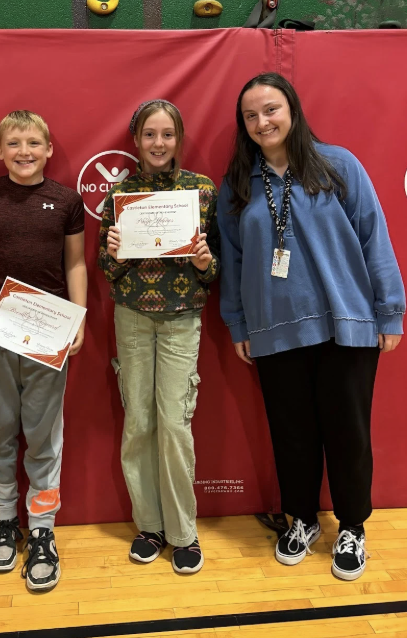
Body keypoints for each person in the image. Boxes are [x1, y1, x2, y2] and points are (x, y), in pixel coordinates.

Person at [218, 72, 405, 581]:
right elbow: (232, 264)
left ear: (293, 110)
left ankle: (352, 527)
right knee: (292, 434)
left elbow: (374, 238)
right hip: (273, 331)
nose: (262, 122)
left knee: (348, 433)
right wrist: (237, 324)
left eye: (271, 109)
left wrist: (390, 310)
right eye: (251, 115)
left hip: (347, 326)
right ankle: (301, 519)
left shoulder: (338, 165)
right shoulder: (237, 185)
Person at [0, 110, 87, 592]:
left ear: (49, 150)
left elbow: (75, 264)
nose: (24, 151)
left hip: (49, 330)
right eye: (14, 143)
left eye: (34, 142)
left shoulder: (66, 200)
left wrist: (80, 315)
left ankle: (42, 528)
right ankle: (4, 519)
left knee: (43, 430)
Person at [98, 99, 219, 575]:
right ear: (136, 140)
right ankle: (149, 526)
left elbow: (217, 274)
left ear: (179, 139)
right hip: (131, 317)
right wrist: (115, 251)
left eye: (167, 134)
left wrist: (205, 261)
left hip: (181, 319)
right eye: (150, 134)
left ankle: (183, 533)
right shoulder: (120, 196)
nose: (158, 143)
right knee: (139, 424)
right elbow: (108, 271)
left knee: (173, 425)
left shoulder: (200, 191)